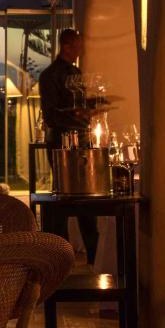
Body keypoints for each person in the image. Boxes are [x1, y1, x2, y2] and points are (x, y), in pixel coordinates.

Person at [37, 29, 100, 263]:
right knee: (63, 196)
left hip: (82, 140)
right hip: (61, 142)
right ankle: (60, 254)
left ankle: (92, 254)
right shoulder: (50, 76)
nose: (81, 50)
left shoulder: (75, 72)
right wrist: (76, 115)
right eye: (78, 46)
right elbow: (51, 114)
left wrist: (89, 109)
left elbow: (78, 104)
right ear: (66, 46)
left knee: (86, 195)